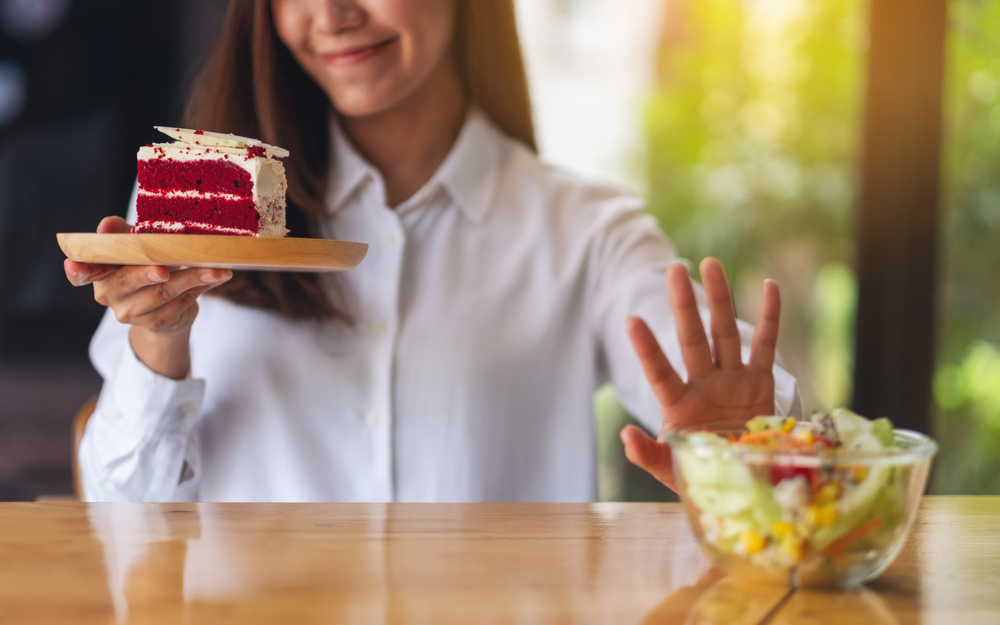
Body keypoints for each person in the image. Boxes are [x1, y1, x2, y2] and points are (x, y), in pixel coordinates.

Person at [64, 0, 800, 502]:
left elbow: (745, 423)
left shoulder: (588, 232)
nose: (330, 15)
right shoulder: (194, 223)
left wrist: (752, 443)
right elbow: (120, 508)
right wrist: (159, 340)